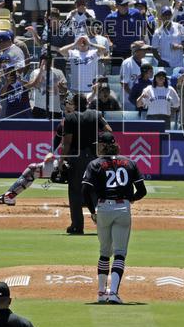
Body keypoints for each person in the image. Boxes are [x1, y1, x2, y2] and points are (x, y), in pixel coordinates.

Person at [81, 131, 147, 304]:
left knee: (104, 252)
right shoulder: (130, 163)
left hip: (103, 208)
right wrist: (130, 199)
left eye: (99, 144)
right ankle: (114, 294)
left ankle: (101, 293)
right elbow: (142, 191)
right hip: (123, 208)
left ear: (103, 146)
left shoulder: (95, 164)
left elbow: (85, 190)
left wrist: (92, 211)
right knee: (119, 253)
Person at [60, 94, 111, 235]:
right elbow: (109, 131)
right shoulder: (96, 114)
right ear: (87, 103)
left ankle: (77, 226)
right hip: (94, 157)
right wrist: (97, 141)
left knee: (75, 191)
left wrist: (61, 160)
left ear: (74, 104)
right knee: (95, 190)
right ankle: (103, 224)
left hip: (77, 157)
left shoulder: (70, 117)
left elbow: (67, 142)